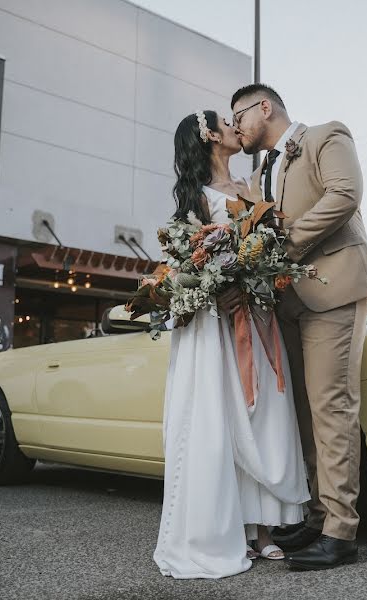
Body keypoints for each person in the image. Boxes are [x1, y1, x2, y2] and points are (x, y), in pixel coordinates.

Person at [230, 83, 367, 570]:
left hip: (334, 286)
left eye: (239, 117)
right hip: (290, 301)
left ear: (265, 107)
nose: (235, 128)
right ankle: (320, 516)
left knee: (331, 406)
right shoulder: (260, 171)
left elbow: (346, 194)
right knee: (303, 412)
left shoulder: (326, 136)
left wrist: (284, 243)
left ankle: (341, 531)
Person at [152, 110, 310, 579]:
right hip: (218, 321)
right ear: (209, 137)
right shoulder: (196, 199)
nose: (233, 128)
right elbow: (189, 256)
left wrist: (260, 275)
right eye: (225, 122)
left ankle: (265, 530)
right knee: (224, 414)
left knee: (265, 414)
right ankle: (232, 528)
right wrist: (219, 284)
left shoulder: (253, 187)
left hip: (259, 314)